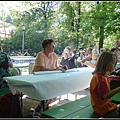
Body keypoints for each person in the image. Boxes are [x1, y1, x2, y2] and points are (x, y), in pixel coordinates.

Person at [31, 38, 68, 118]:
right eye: (52, 45)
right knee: (50, 91)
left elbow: (56, 67)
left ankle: (40, 109)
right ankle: (38, 110)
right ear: (46, 47)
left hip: (49, 77)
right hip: (37, 77)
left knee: (54, 90)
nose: (53, 47)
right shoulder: (40, 55)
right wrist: (57, 69)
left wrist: (62, 67)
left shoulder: (54, 55)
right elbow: (42, 69)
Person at [90, 51, 120, 118]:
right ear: (105, 64)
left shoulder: (102, 76)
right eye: (113, 63)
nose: (114, 66)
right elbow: (105, 96)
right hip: (103, 110)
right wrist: (118, 89)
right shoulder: (100, 78)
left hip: (104, 107)